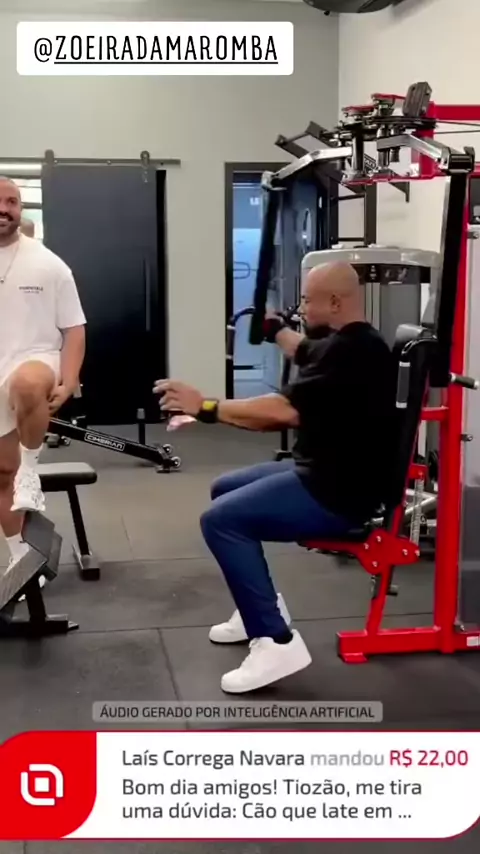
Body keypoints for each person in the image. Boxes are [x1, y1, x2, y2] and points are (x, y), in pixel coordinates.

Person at [155, 262, 396, 694]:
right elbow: (303, 349)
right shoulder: (346, 341)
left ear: (334, 302)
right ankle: (260, 608)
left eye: (306, 300)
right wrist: (275, 329)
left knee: (221, 521)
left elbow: (283, 413)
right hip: (321, 469)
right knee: (224, 489)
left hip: (337, 491)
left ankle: (277, 642)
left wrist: (205, 406)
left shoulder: (354, 353)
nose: (301, 308)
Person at [0, 177, 86, 576]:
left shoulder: (49, 264)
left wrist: (68, 380)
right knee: (2, 473)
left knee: (26, 383)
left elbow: (74, 328)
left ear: (20, 209)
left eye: (11, 201)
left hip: (35, 358)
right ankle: (20, 556)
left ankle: (31, 469)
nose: (4, 209)